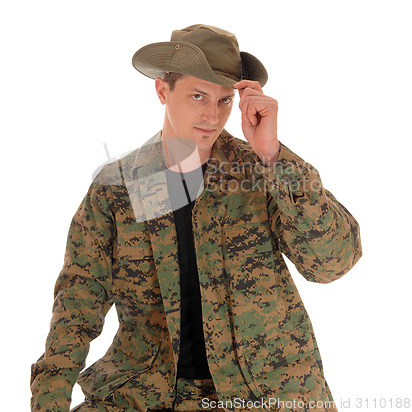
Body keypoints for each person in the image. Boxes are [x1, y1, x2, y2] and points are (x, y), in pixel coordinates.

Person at [30, 24, 362, 412]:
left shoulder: (260, 171)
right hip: (147, 393)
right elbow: (78, 302)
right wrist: (48, 402)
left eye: (224, 101)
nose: (211, 115)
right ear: (162, 91)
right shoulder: (118, 189)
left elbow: (332, 262)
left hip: (263, 391)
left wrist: (273, 155)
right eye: (198, 95)